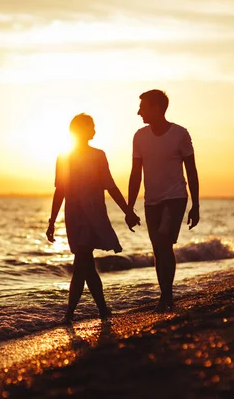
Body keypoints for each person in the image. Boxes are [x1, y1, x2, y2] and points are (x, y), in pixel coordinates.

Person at [46, 113, 140, 323]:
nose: (94, 131)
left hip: (92, 216)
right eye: (91, 127)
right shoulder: (64, 157)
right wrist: (52, 221)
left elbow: (110, 186)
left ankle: (69, 314)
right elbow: (60, 190)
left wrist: (127, 210)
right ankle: (103, 310)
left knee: (82, 262)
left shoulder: (98, 155)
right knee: (86, 264)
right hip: (74, 216)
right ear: (80, 131)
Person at [126, 89, 200, 312]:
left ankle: (166, 297)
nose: (139, 112)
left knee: (164, 242)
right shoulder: (139, 136)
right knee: (158, 248)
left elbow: (192, 170)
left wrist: (195, 205)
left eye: (143, 107)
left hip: (175, 197)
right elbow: (135, 173)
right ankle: (166, 295)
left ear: (157, 108)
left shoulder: (180, 134)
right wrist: (129, 208)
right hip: (152, 201)